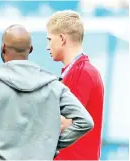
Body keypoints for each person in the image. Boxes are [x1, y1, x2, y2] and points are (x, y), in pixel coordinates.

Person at [0, 24, 94, 160]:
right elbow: (85, 122)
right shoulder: (53, 85)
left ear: (3, 47)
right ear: (30, 49)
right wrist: (50, 147)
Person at [46, 10, 105, 160]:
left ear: (61, 39)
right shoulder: (75, 72)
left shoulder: (82, 73)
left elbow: (63, 123)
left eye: (49, 39)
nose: (47, 46)